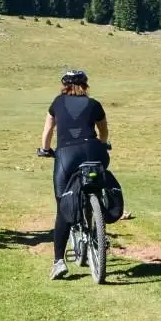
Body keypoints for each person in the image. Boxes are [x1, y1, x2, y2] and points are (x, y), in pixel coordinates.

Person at [38, 69, 109, 280]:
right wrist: (103, 145)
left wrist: (45, 149)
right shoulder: (94, 104)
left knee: (63, 206)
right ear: (85, 85)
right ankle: (99, 216)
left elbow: (48, 130)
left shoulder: (57, 103)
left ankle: (59, 261)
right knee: (97, 183)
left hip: (67, 155)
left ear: (64, 85)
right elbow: (104, 132)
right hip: (93, 151)